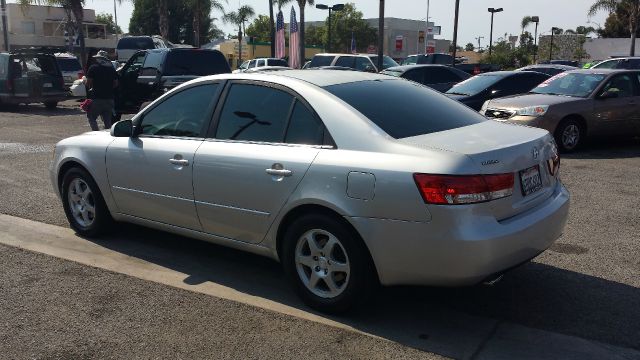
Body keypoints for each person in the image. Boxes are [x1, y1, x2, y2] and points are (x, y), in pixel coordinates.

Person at [85, 50, 118, 130]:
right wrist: (108, 88)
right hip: (109, 99)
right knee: (107, 120)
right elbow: (116, 83)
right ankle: (108, 136)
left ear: (98, 59)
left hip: (97, 98)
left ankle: (96, 133)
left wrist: (85, 82)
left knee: (91, 117)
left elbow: (88, 83)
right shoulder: (111, 69)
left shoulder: (93, 68)